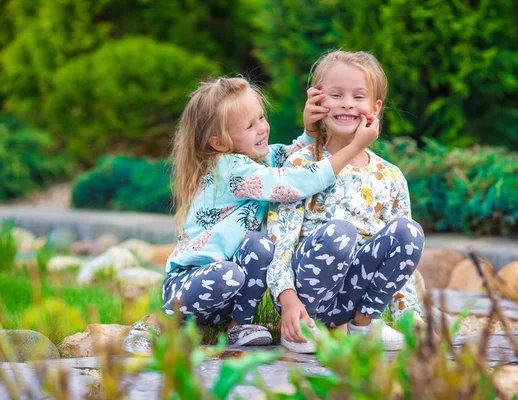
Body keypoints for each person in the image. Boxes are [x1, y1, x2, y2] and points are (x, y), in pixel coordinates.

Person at [122, 76, 379, 355]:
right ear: (219, 143)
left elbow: (288, 157)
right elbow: (293, 182)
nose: (262, 128)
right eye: (249, 125)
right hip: (191, 284)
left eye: (261, 117)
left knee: (261, 245)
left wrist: (308, 132)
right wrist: (355, 146)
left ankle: (238, 324)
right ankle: (159, 321)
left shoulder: (256, 160)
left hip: (229, 292)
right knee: (229, 273)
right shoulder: (230, 168)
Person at [267, 51, 425, 353]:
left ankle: (365, 326)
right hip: (305, 297)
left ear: (376, 108)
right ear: (316, 100)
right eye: (335, 95)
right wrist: (287, 299)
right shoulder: (300, 164)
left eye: (359, 96)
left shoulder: (390, 177)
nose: (347, 104)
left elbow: (399, 265)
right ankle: (302, 326)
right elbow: (280, 243)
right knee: (341, 233)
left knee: (409, 232)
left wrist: (409, 317)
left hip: (354, 299)